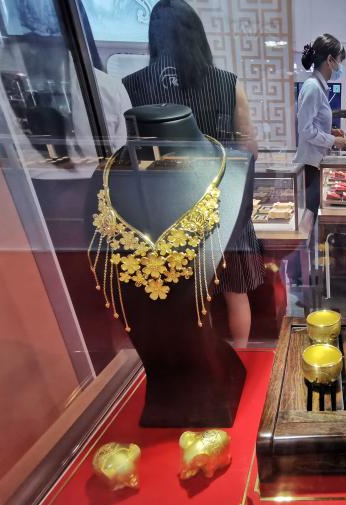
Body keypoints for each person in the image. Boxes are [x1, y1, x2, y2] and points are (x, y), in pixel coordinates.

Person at [122, 0, 263, 347]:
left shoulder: (132, 86)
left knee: (182, 295)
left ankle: (196, 361)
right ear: (198, 36)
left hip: (162, 212)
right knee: (235, 292)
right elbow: (250, 148)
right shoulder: (227, 83)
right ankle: (241, 354)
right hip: (223, 204)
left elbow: (126, 155)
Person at [294, 33, 346, 215]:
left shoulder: (318, 86)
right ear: (330, 60)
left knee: (311, 217)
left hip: (315, 163)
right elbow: (305, 130)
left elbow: (312, 124)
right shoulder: (313, 87)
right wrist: (333, 140)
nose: (340, 66)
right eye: (339, 60)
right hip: (310, 166)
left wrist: (330, 131)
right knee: (308, 220)